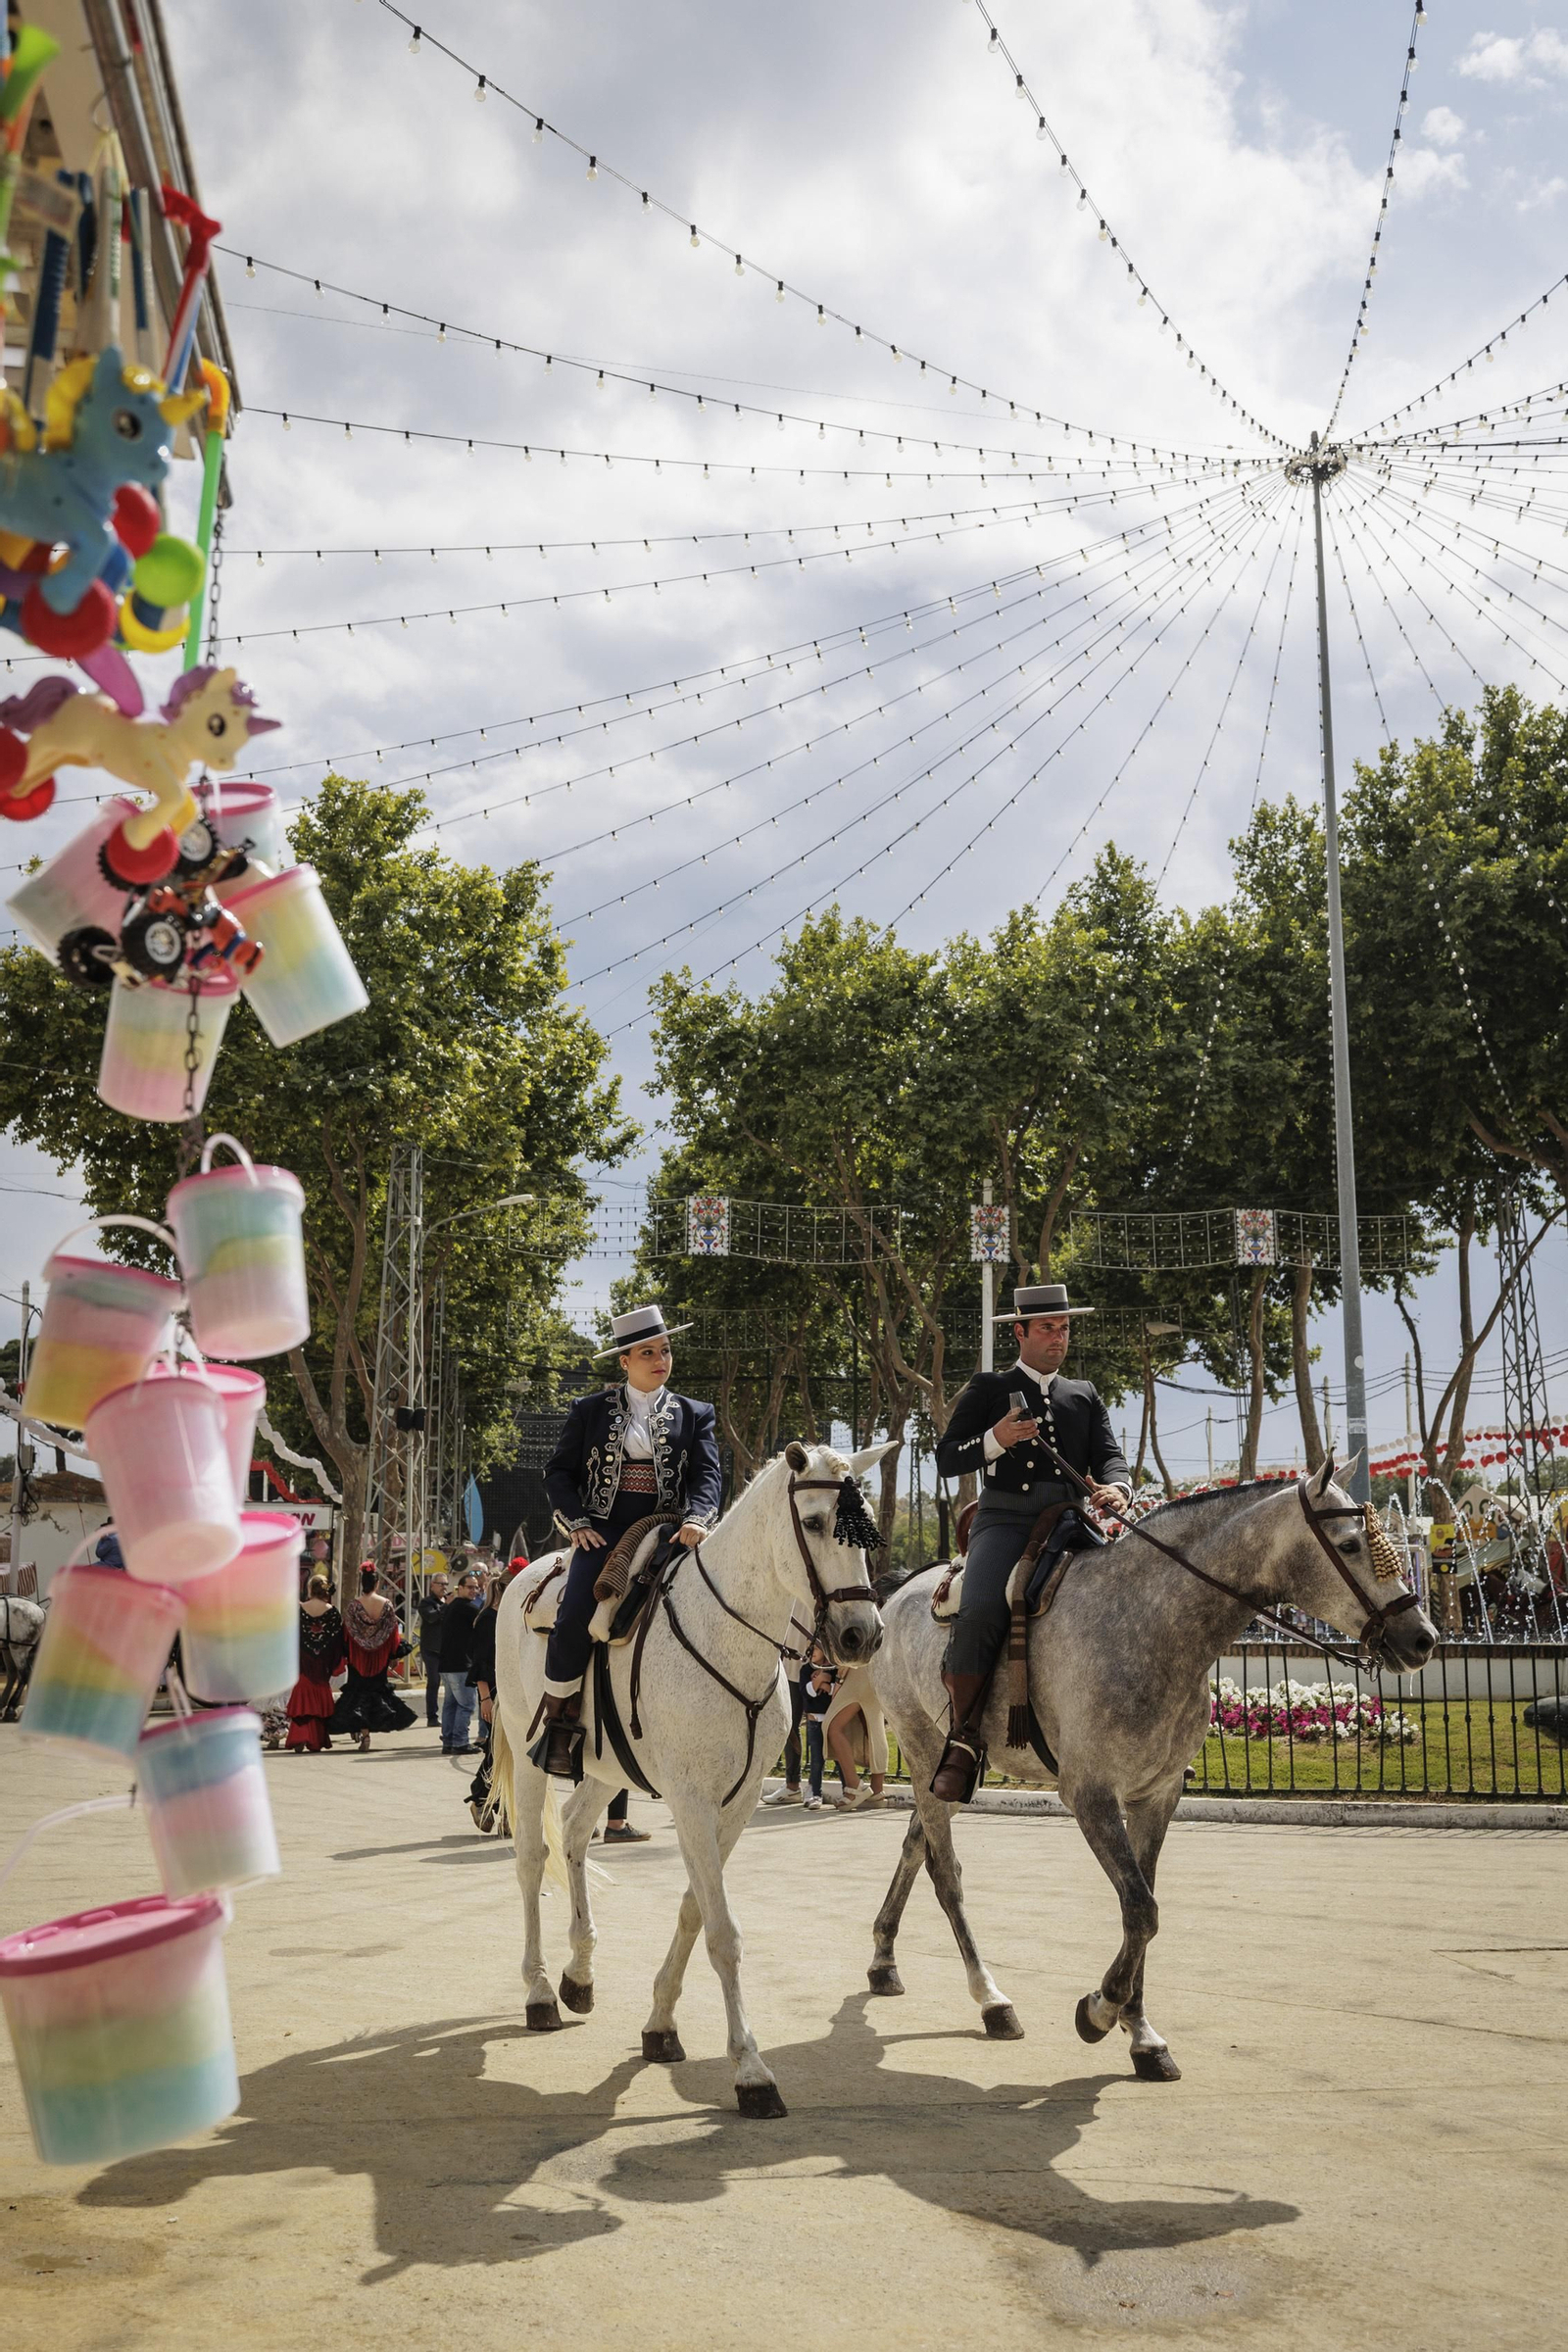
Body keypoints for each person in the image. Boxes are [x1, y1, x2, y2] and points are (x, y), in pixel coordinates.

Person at [930, 1282, 1132, 1802]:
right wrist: (997, 1438)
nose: (1058, 1338)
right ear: (1018, 1332)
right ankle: (965, 1739)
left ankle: (1136, 1733)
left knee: (1127, 1604)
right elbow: (948, 1457)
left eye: (1064, 1329)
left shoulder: (1083, 1394)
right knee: (977, 1609)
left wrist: (1118, 1487)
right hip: (1005, 1521)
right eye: (1047, 1328)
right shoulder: (987, 1388)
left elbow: (1109, 1456)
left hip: (1070, 1520)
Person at [536, 1303, 721, 1777]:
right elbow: (558, 1473)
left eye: (665, 1350)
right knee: (576, 1608)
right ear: (625, 1361)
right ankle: (559, 1722)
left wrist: (698, 1517)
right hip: (605, 1531)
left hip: (671, 1530)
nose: (660, 1359)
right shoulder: (589, 1410)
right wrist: (577, 1522)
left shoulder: (696, 1414)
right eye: (648, 1352)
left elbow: (706, 1475)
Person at [334, 1567, 416, 1751]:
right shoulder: (386, 1605)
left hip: (358, 1659)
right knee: (375, 1694)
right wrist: (394, 1655)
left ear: (361, 1583)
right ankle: (365, 1732)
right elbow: (393, 1634)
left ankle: (363, 1732)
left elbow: (346, 1635)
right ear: (377, 1584)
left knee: (357, 1694)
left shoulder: (353, 1606)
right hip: (380, 1658)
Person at [286, 1576, 345, 1753]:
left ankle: (300, 1736)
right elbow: (337, 1642)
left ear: (310, 1589)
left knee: (303, 1690)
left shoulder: (298, 1609)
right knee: (319, 1691)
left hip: (302, 1661)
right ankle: (315, 1739)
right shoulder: (333, 1612)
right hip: (322, 1664)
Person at [824, 1665, 888, 1807]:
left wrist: (839, 1681)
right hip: (875, 1669)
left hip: (857, 1670)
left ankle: (854, 1787)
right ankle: (877, 1790)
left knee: (832, 1726)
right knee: (874, 1725)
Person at [437, 1569, 482, 1754]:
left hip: (447, 1665)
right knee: (466, 1705)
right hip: (460, 1666)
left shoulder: (453, 1606)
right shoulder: (468, 1608)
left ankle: (448, 1741)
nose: (474, 1591)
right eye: (470, 1587)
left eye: (477, 1588)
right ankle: (460, 1742)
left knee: (451, 1704)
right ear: (460, 1588)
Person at [799, 1644, 838, 1809]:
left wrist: (825, 1684)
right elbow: (807, 1692)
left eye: (816, 1648)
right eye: (810, 1648)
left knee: (839, 1757)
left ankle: (848, 1790)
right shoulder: (806, 1670)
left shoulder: (835, 1669)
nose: (811, 1652)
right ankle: (816, 1794)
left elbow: (837, 1690)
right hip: (814, 1720)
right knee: (816, 1759)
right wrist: (820, 1680)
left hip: (833, 1720)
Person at [416, 1571, 449, 1729]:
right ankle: (431, 1715)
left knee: (450, 1683)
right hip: (431, 1649)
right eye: (441, 1584)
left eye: (446, 1584)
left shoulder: (447, 1601)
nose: (444, 1587)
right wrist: (446, 1606)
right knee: (434, 1681)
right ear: (432, 1585)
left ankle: (448, 1715)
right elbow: (431, 1617)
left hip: (446, 1648)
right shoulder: (426, 1602)